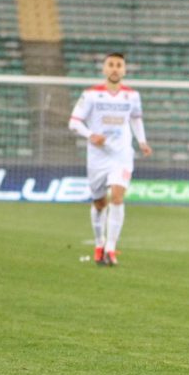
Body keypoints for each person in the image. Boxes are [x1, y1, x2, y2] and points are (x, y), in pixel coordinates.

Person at [69, 52, 152, 267]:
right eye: (111, 65)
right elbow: (74, 122)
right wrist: (91, 135)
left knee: (117, 196)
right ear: (104, 69)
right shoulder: (90, 95)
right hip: (98, 156)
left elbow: (136, 119)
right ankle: (99, 243)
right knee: (99, 203)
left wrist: (142, 141)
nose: (115, 68)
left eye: (119, 65)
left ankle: (111, 249)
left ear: (124, 70)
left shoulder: (132, 96)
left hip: (121, 154)